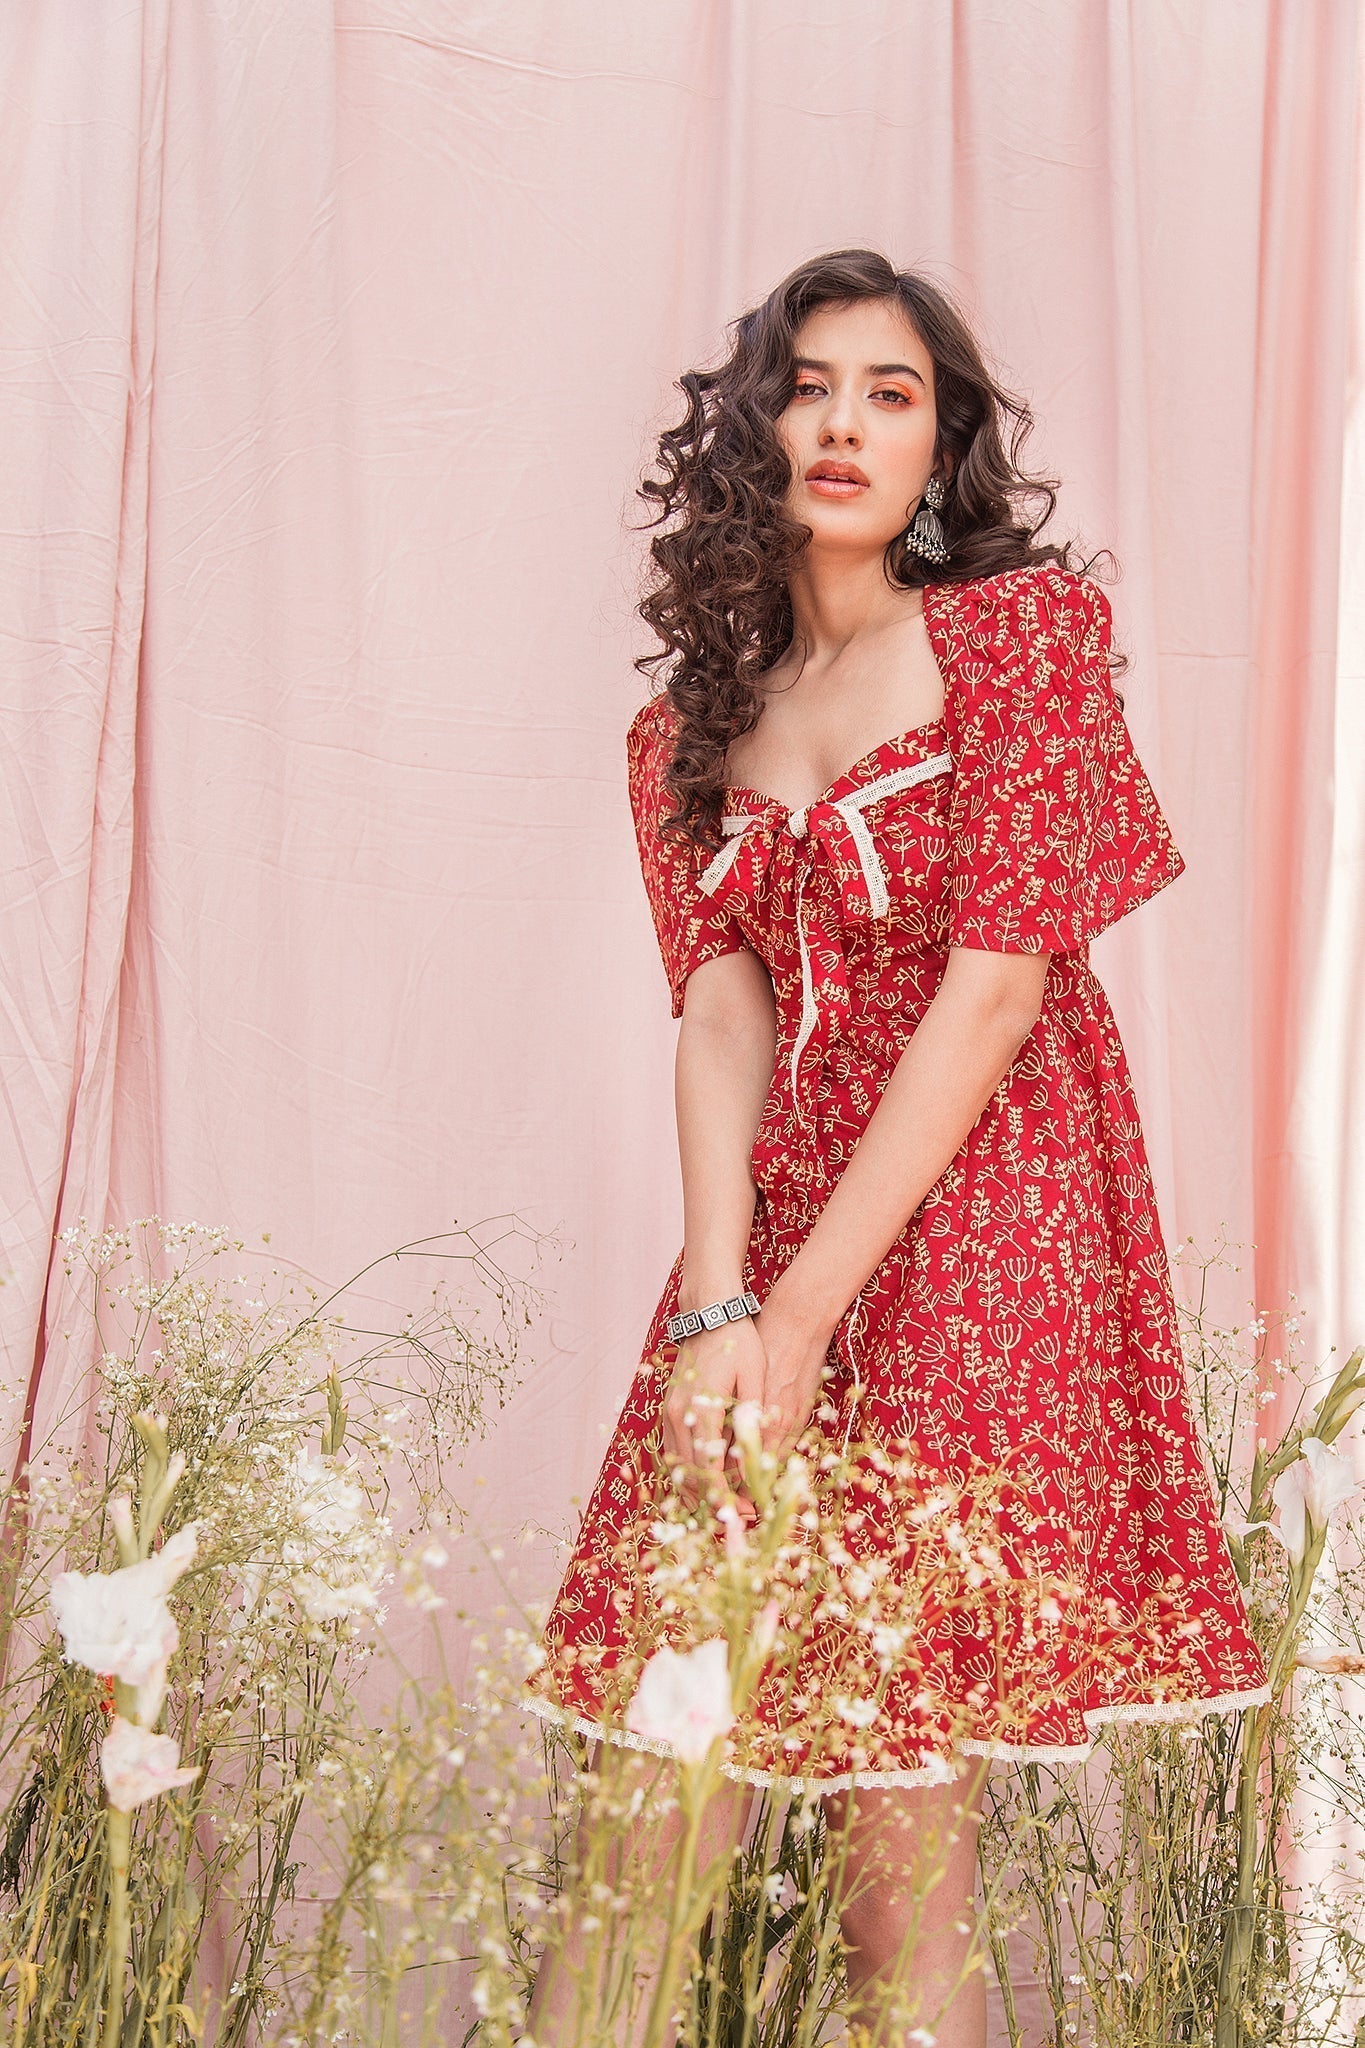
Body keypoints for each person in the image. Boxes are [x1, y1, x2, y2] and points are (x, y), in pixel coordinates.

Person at [520, 248, 1270, 2047]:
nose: (845, 422)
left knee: (889, 1830)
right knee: (656, 1774)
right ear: (751, 429)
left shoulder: (1022, 640)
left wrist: (801, 1320)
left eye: (892, 391)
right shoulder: (683, 730)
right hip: (775, 1226)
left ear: (942, 445)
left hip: (983, 1215)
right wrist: (722, 1310)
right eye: (808, 386)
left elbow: (998, 991)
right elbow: (720, 1017)